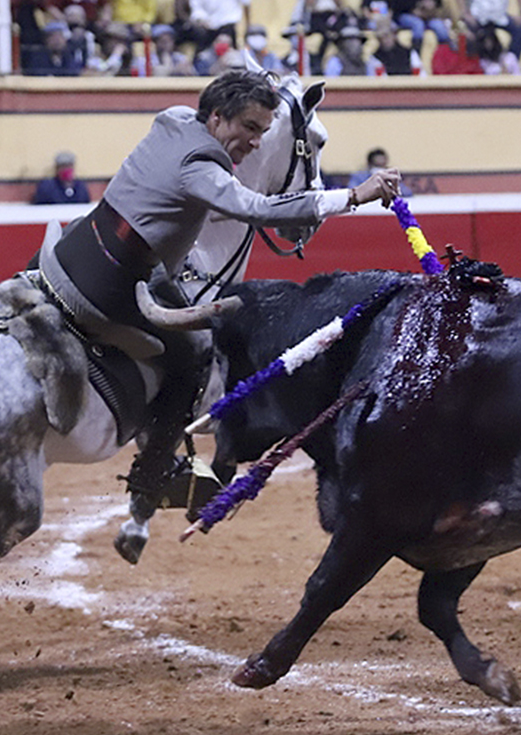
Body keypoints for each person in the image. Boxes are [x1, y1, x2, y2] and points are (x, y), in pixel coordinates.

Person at [37, 70, 400, 512]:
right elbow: (259, 209)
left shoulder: (172, 118)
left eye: (263, 132)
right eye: (249, 128)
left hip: (72, 250)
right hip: (116, 281)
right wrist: (354, 196)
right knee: (193, 353)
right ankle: (152, 477)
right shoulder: (202, 169)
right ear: (217, 117)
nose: (255, 143)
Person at [295, 0, 349, 72]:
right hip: (317, 16)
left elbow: (340, 5)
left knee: (338, 29)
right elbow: (311, 4)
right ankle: (319, 60)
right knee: (327, 33)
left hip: (332, 16)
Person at [348, 147, 412, 197]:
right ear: (370, 164)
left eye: (382, 166)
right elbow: (351, 192)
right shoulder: (360, 176)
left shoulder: (392, 176)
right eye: (376, 166)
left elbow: (407, 192)